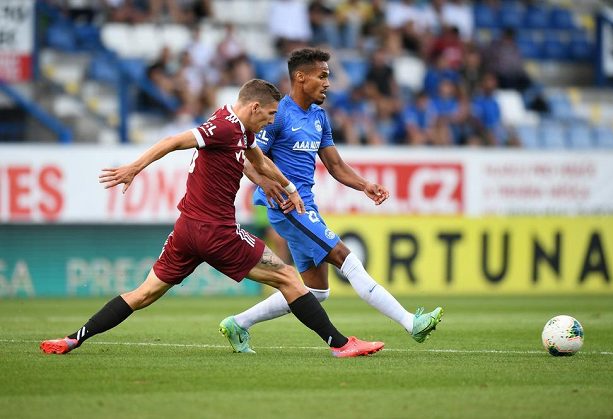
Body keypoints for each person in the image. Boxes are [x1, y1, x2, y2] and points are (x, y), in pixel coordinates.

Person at [40, 79, 384, 359]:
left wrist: (289, 186)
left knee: (143, 294)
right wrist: (134, 167)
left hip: (186, 230)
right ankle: (341, 345)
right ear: (253, 107)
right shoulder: (222, 126)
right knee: (290, 279)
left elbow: (259, 163)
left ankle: (72, 339)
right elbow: (174, 140)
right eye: (269, 114)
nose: (271, 120)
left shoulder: (243, 131)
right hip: (217, 232)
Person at [219, 49, 443, 353]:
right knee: (346, 259)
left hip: (305, 205)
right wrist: (268, 184)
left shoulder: (319, 117)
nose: (328, 83)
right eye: (322, 76)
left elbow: (335, 166)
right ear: (300, 77)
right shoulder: (278, 114)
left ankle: (238, 323)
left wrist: (365, 185)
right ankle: (410, 323)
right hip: (288, 208)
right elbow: (248, 154)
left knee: (315, 290)